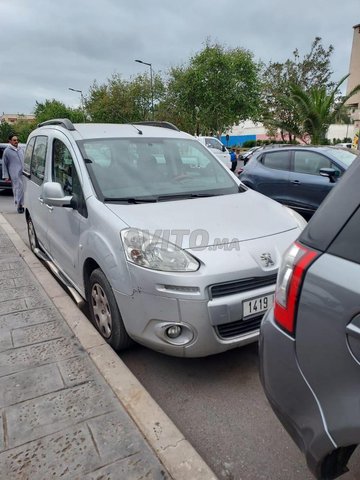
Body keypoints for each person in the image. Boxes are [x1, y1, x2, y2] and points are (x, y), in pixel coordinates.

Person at [2, 134, 25, 213]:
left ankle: (20, 203)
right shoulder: (7, 151)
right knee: (18, 188)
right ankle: (19, 205)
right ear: (10, 141)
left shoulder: (20, 149)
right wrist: (6, 176)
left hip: (23, 172)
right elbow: (4, 164)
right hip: (14, 173)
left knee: (23, 189)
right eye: (14, 140)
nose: (16, 141)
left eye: (17, 140)